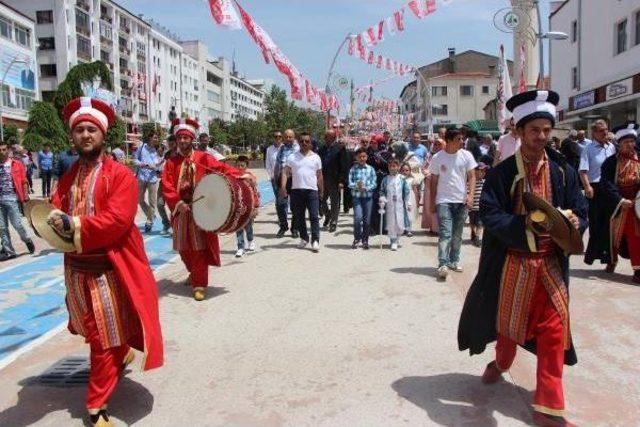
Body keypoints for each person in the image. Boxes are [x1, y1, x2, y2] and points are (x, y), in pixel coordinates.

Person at [458, 90, 587, 427]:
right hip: (514, 265)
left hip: (552, 266)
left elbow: (581, 209)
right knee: (509, 330)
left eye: (547, 130)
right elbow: (488, 213)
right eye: (534, 130)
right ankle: (500, 363)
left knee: (554, 332)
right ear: (518, 132)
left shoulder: (564, 172)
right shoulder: (501, 174)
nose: (541, 136)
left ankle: (548, 409)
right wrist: (522, 225)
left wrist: (575, 221)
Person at [51, 96, 163, 426]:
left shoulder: (121, 176)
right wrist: (51, 218)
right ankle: (121, 350)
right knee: (93, 332)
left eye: (91, 129)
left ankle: (96, 405)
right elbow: (57, 206)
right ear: (73, 136)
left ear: (102, 135)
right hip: (75, 271)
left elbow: (117, 220)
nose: (85, 135)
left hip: (107, 271)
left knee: (103, 339)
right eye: (80, 130)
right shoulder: (68, 175)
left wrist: (75, 225)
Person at [162, 118, 251, 301]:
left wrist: (241, 175)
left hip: (200, 209)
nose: (183, 141)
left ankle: (199, 283)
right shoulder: (171, 162)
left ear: (192, 139)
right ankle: (193, 272)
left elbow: (222, 169)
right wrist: (177, 202)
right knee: (182, 248)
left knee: (198, 248)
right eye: (180, 138)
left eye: (187, 138)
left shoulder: (203, 158)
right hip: (180, 210)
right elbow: (167, 186)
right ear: (177, 140)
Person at [429, 128, 477, 279]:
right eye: (459, 139)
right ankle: (442, 263)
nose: (462, 142)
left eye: (462, 139)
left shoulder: (466, 155)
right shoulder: (437, 157)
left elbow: (472, 177)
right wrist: (432, 201)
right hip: (444, 201)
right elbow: (434, 181)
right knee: (445, 233)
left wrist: (470, 196)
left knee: (457, 234)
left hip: (461, 201)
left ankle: (453, 261)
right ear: (449, 140)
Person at [600, 123, 640, 283]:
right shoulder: (611, 163)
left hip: (637, 203)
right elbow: (607, 184)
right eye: (626, 142)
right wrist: (620, 200)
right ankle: (613, 260)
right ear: (619, 144)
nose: (630, 145)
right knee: (619, 237)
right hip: (620, 204)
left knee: (636, 237)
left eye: (632, 141)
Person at [580, 119, 617, 267]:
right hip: (595, 188)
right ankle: (593, 255)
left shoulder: (612, 147)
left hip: (611, 189)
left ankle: (610, 259)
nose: (605, 133)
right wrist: (587, 187)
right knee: (596, 223)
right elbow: (583, 171)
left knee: (611, 223)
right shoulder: (588, 149)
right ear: (594, 133)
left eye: (606, 130)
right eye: (601, 131)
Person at [280, 132, 323, 252]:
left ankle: (315, 240)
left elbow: (319, 175)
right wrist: (283, 187)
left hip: (312, 191)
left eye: (307, 141)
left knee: (314, 216)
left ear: (310, 143)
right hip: (296, 191)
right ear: (298, 142)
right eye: (302, 141)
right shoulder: (292, 157)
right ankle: (304, 238)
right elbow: (285, 172)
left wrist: (321, 190)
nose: (304, 143)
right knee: (299, 216)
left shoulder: (316, 157)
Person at [0, 141, 35, 261]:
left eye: (4, 149)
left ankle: (27, 240)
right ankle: (9, 251)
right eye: (0, 150)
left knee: (17, 224)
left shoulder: (16, 164)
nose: (2, 152)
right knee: (2, 227)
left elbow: (24, 181)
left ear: (8, 150)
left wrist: (25, 196)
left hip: (12, 199)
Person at [318, 129, 349, 232]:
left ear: (334, 137)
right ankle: (328, 215)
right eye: (327, 137)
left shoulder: (340, 148)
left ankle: (333, 222)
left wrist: (341, 181)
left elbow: (344, 166)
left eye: (331, 137)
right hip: (322, 179)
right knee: (321, 200)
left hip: (335, 180)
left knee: (335, 202)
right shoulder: (321, 149)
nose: (329, 139)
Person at [348, 147, 377, 249]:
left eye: (364, 156)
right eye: (360, 157)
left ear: (367, 157)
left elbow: (374, 183)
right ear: (356, 157)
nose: (362, 158)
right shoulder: (353, 169)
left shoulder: (371, 169)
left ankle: (365, 240)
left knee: (367, 220)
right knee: (357, 218)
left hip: (368, 197)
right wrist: (357, 186)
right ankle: (357, 238)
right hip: (357, 197)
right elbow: (350, 183)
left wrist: (366, 188)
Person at [379, 158, 411, 251]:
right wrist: (382, 199)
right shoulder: (385, 179)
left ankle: (397, 239)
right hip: (390, 205)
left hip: (400, 205)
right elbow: (382, 191)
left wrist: (408, 202)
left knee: (400, 223)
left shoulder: (402, 179)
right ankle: (393, 241)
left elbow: (406, 191)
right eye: (390, 166)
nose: (392, 168)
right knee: (391, 223)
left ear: (398, 167)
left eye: (394, 166)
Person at [134, 131, 163, 233]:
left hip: (153, 179)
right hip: (141, 177)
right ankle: (151, 215)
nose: (156, 139)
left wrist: (160, 164)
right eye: (155, 137)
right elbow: (135, 160)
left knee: (152, 202)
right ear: (150, 138)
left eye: (157, 138)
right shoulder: (141, 147)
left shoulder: (157, 150)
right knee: (140, 199)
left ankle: (149, 222)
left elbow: (157, 165)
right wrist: (145, 165)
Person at [273, 129, 300, 238]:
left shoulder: (298, 149)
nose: (288, 139)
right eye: (286, 137)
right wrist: (276, 178)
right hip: (282, 179)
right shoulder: (282, 148)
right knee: (280, 205)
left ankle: (295, 228)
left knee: (296, 206)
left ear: (294, 137)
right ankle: (283, 226)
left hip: (295, 180)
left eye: (290, 137)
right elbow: (278, 164)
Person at [421, 138, 445, 234]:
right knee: (429, 203)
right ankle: (432, 226)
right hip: (429, 182)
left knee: (440, 203)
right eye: (435, 144)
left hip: (441, 183)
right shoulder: (429, 156)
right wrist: (428, 173)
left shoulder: (446, 156)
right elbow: (423, 168)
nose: (437, 146)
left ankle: (440, 227)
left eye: (439, 144)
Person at [235, 155, 257, 258]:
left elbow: (255, 193)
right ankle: (240, 247)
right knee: (238, 227)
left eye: (242, 165)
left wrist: (255, 206)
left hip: (248, 207)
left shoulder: (250, 177)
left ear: (246, 166)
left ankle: (251, 240)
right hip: (238, 207)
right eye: (238, 165)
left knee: (248, 226)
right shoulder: (233, 176)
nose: (240, 167)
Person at [156, 136, 176, 235]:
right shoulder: (167, 154)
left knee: (173, 206)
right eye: (169, 143)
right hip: (163, 182)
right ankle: (166, 223)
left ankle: (174, 226)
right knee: (159, 204)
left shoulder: (179, 154)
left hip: (175, 183)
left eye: (172, 143)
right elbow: (163, 166)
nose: (171, 145)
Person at [469, 162, 489, 247]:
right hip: (472, 208)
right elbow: (468, 192)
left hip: (480, 209)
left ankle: (477, 238)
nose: (483, 173)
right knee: (472, 223)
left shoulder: (484, 183)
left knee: (480, 224)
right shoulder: (470, 182)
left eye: (484, 171)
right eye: (481, 171)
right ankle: (473, 232)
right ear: (475, 171)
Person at [401, 162, 419, 237]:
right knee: (402, 213)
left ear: (410, 171)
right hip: (402, 197)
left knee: (409, 213)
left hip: (410, 198)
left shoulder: (412, 180)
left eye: (407, 170)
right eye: (403, 170)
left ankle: (409, 229)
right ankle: (403, 228)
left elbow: (415, 191)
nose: (405, 172)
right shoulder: (400, 179)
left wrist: (417, 201)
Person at [265, 130, 283, 203]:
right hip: (274, 177)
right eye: (276, 136)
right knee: (277, 195)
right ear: (273, 138)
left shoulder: (285, 148)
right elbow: (268, 163)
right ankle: (280, 209)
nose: (278, 138)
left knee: (285, 195)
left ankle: (284, 209)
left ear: (282, 138)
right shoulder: (269, 149)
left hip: (284, 176)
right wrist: (270, 176)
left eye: (279, 136)